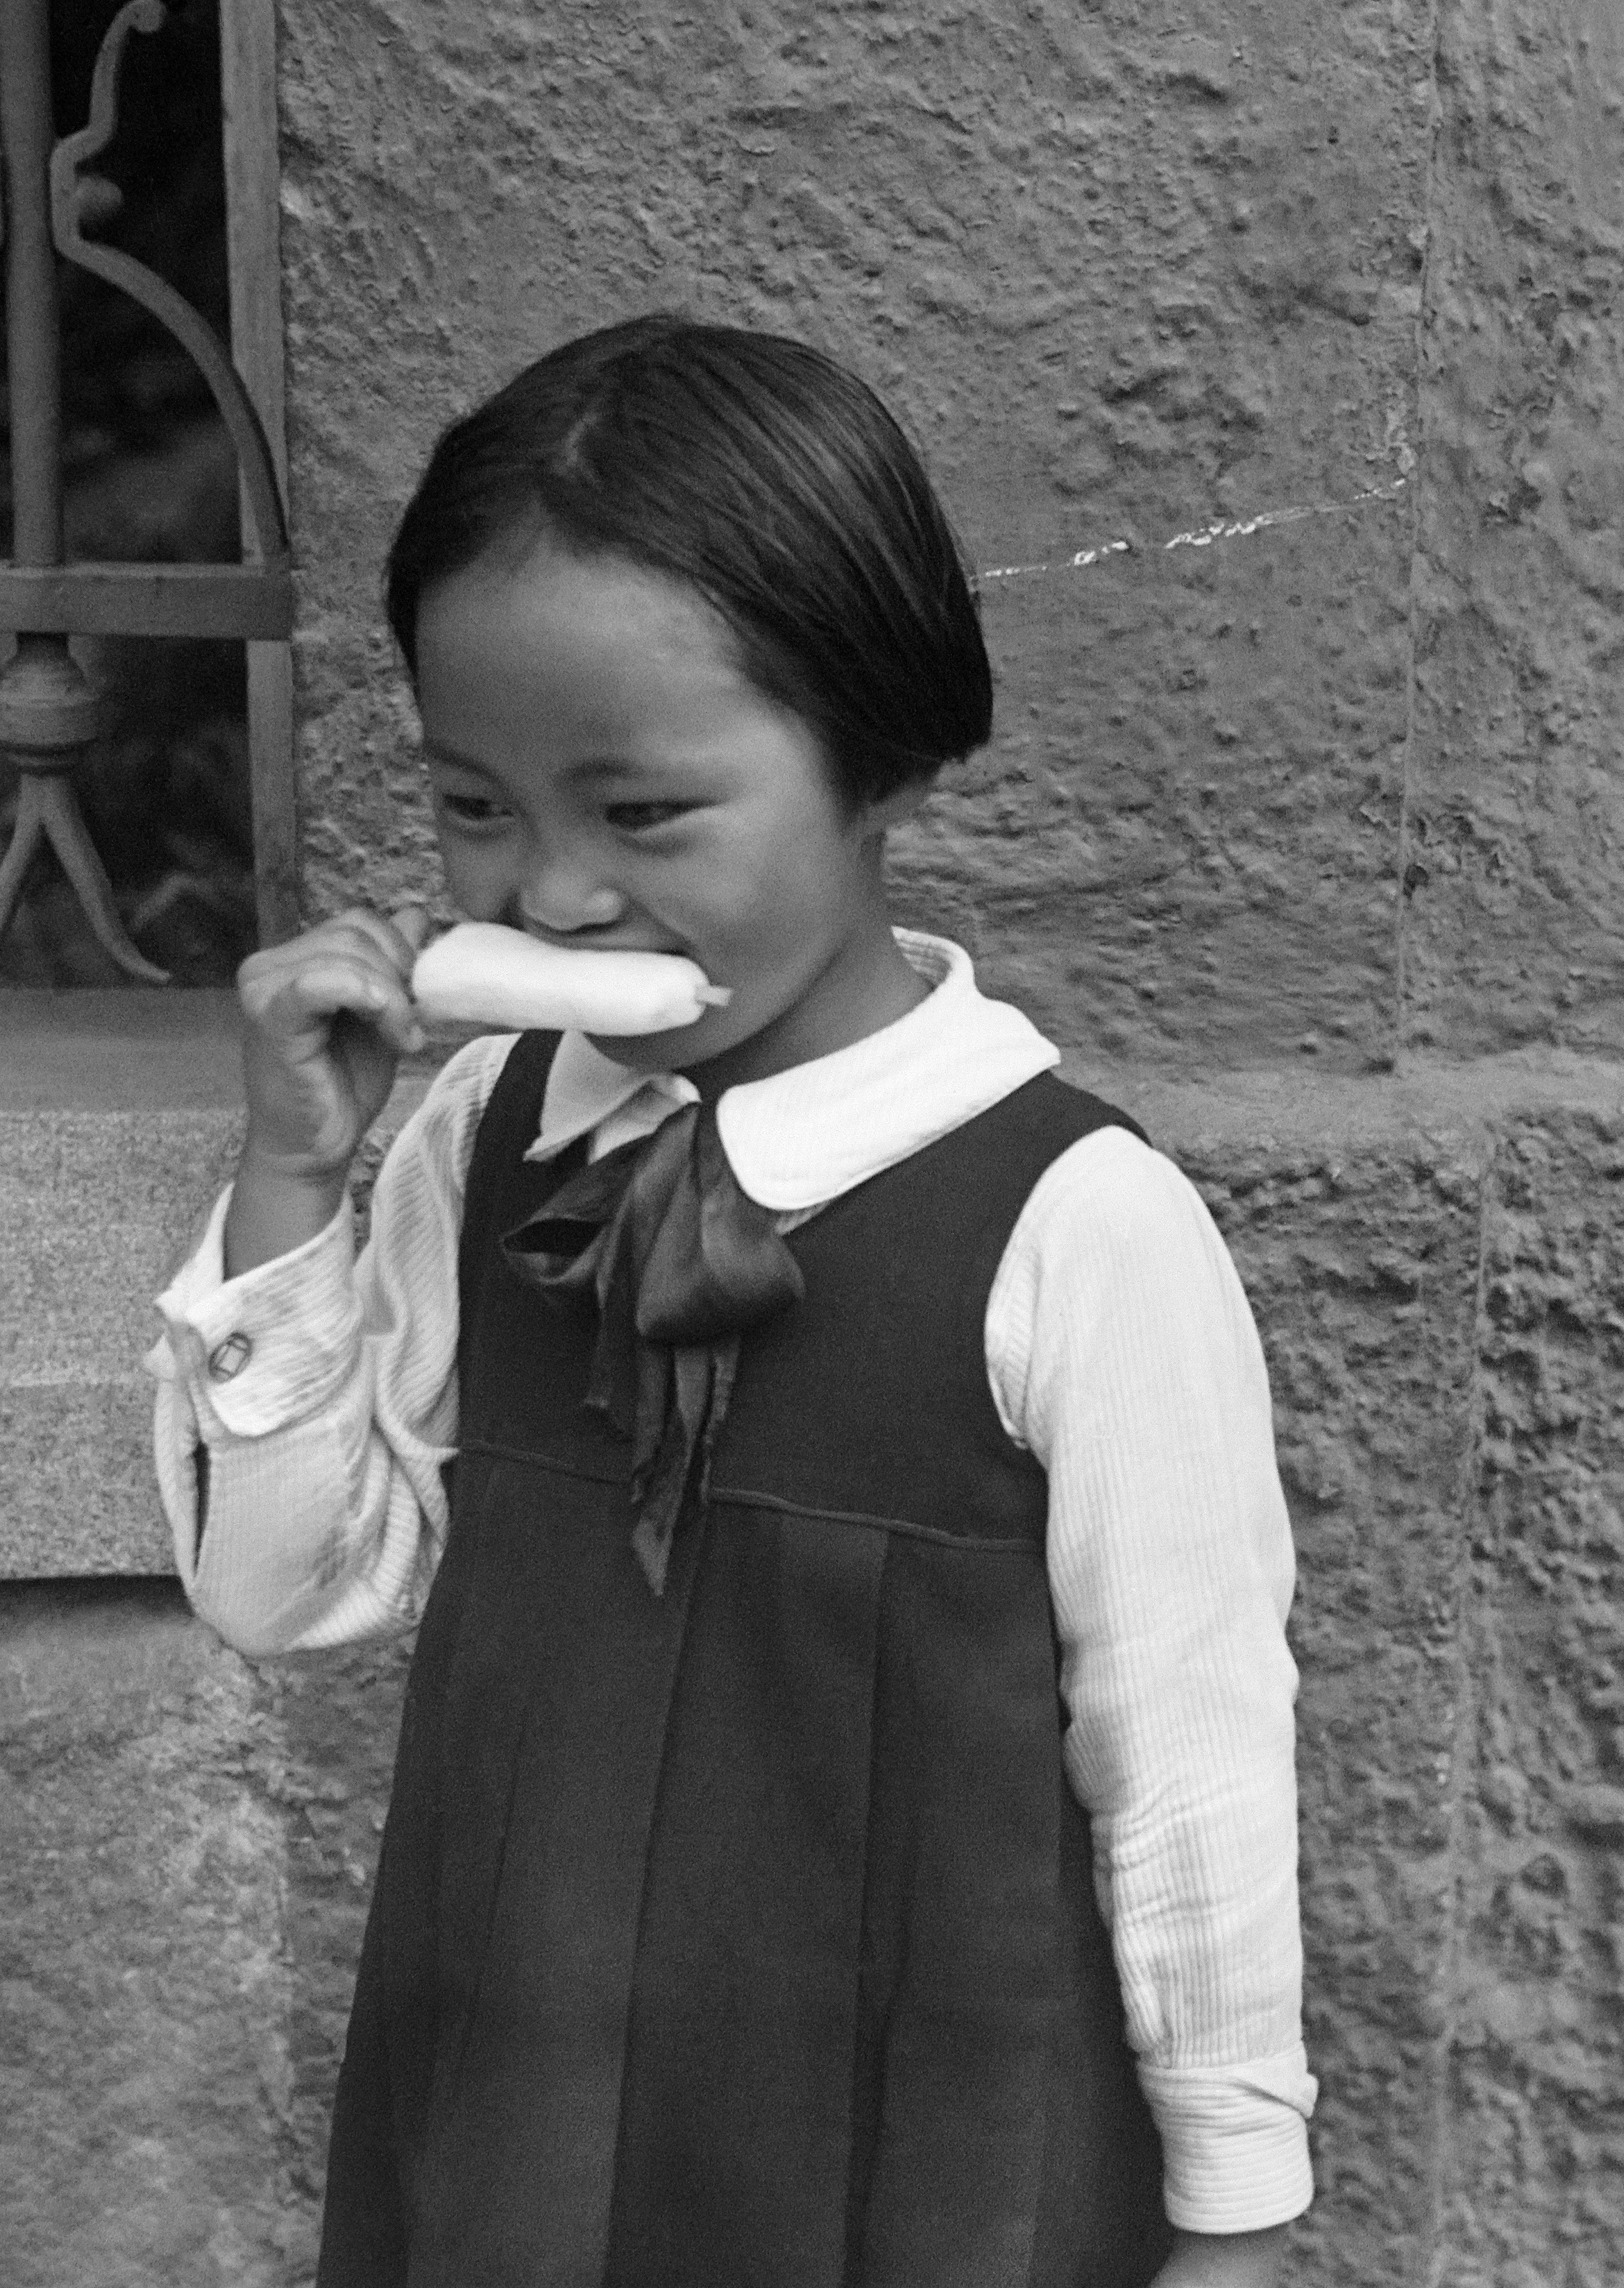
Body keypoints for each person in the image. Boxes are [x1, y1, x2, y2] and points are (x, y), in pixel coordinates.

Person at [146, 317, 1309, 2288]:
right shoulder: (477, 1133)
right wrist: (291, 1184)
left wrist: (1238, 2216)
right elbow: (283, 1594)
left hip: (920, 2157)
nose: (556, 897)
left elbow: (1191, 1755)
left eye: (646, 814)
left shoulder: (1077, 1225)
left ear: (883, 757)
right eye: (474, 808)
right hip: (514, 2113)